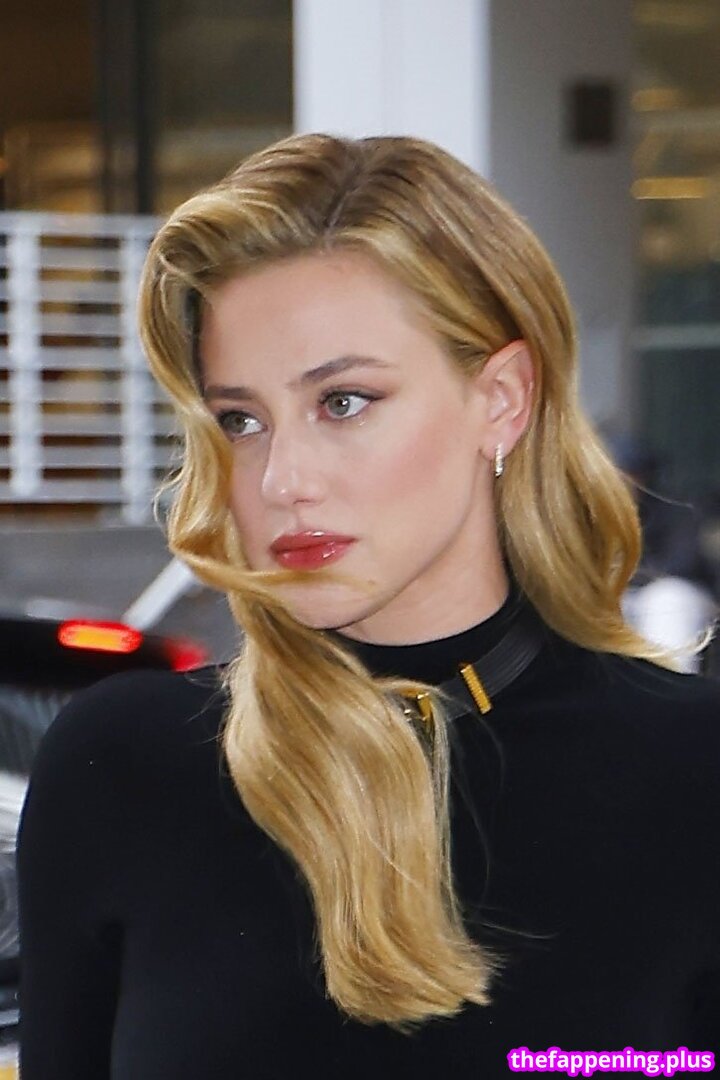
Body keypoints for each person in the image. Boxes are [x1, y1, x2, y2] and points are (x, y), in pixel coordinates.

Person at [17, 133, 720, 1078]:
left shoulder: (693, 773)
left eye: (343, 402)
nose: (282, 479)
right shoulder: (123, 769)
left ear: (502, 399)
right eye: (240, 420)